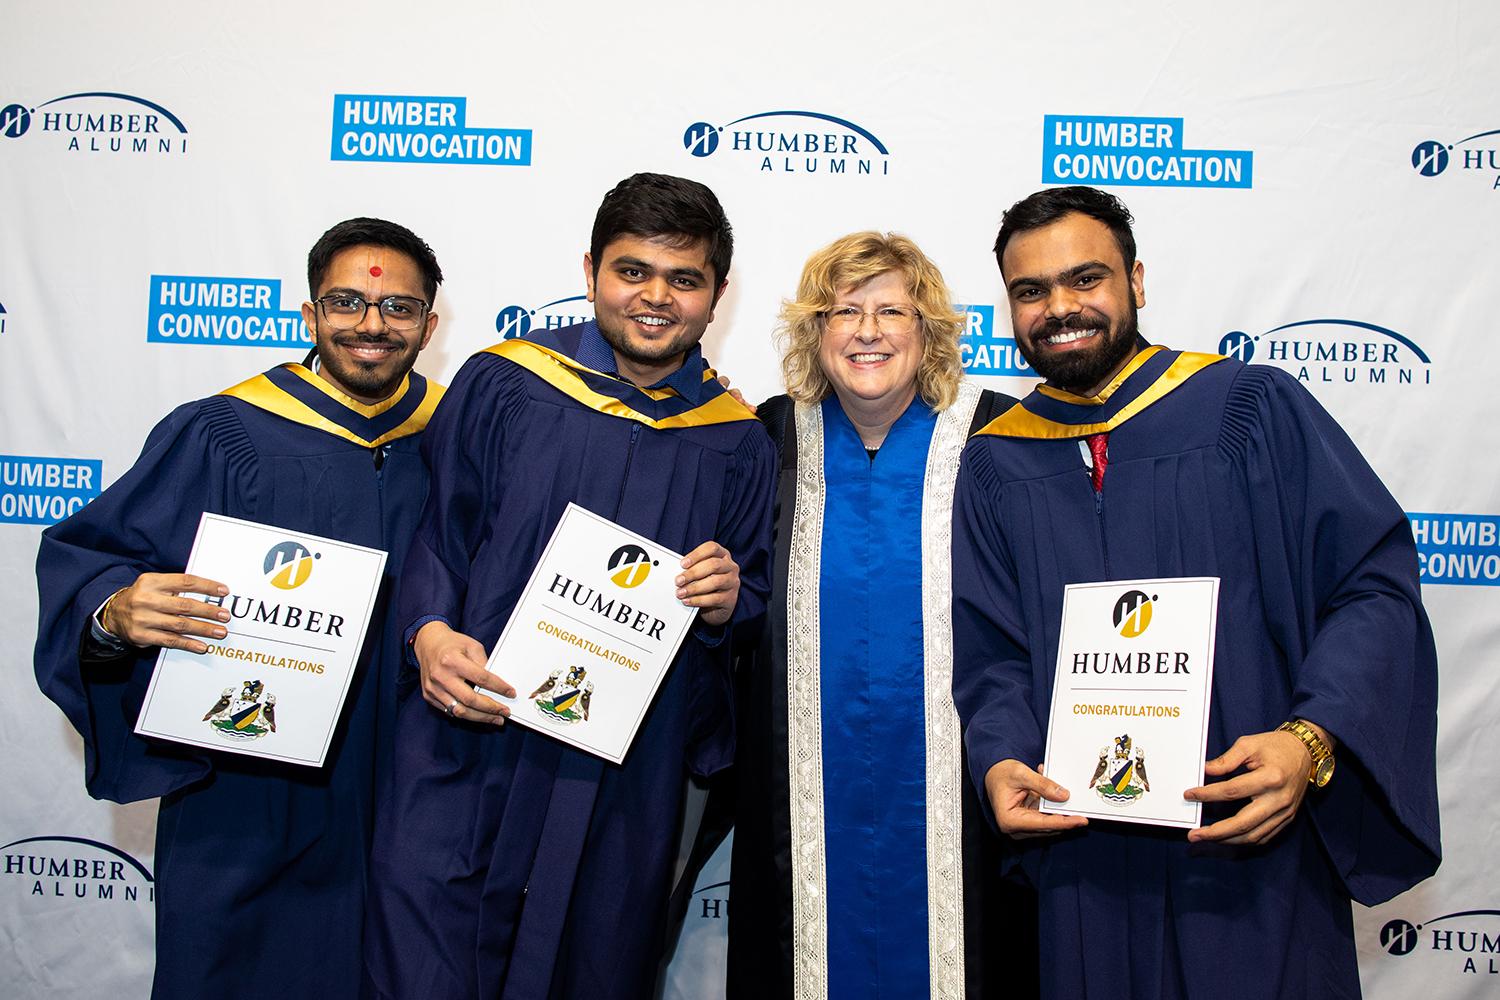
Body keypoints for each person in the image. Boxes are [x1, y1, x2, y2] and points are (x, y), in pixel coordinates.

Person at [951, 185, 1440, 999]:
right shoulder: (999, 463)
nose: (1060, 308)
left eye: (1086, 279)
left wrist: (1309, 741)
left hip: (1245, 835)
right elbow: (992, 650)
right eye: (1030, 292)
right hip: (1086, 858)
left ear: (1137, 280)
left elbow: (1371, 588)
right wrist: (999, 758)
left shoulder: (1246, 410)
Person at [363, 172, 775, 1000]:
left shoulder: (738, 440)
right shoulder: (506, 383)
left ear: (717, 295)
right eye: (633, 271)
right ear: (591, 270)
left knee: (592, 964)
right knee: (427, 960)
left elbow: (754, 601)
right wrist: (428, 635)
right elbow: (438, 530)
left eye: (684, 279)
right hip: (468, 738)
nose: (655, 298)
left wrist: (734, 600)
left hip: (623, 773)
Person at [33, 217, 447, 999]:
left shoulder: (462, 437)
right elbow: (97, 560)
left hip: (417, 792)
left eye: (397, 308)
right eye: (346, 302)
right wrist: (113, 610)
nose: (370, 324)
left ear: (429, 323)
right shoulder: (225, 433)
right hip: (250, 792)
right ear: (309, 314)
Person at [724, 232, 1028, 1000]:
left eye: (892, 310)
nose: (868, 330)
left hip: (959, 780)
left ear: (927, 331)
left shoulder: (1000, 439)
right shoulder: (768, 436)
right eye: (844, 310)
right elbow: (740, 597)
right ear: (813, 331)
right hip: (799, 780)